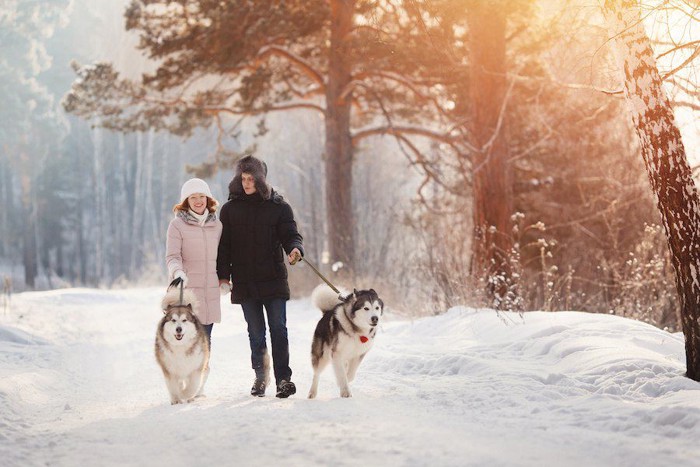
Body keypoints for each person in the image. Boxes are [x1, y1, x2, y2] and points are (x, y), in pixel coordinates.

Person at [217, 155, 303, 398]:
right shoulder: (230, 210)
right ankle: (260, 378)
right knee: (255, 332)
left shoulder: (279, 207)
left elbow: (291, 235)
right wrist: (223, 277)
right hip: (245, 282)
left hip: (273, 279)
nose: (246, 183)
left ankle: (284, 379)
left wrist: (295, 249)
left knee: (279, 329)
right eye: (243, 178)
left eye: (251, 179)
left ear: (261, 180)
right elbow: (224, 248)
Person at [165, 177, 223, 395]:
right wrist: (177, 272)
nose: (198, 201)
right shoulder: (177, 225)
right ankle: (180, 379)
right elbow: (172, 256)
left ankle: (198, 384)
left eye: (201, 197)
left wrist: (225, 280)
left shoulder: (217, 225)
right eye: (193, 197)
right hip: (186, 294)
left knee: (205, 341)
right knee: (183, 341)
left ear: (207, 199)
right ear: (185, 201)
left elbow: (224, 257)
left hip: (210, 294)